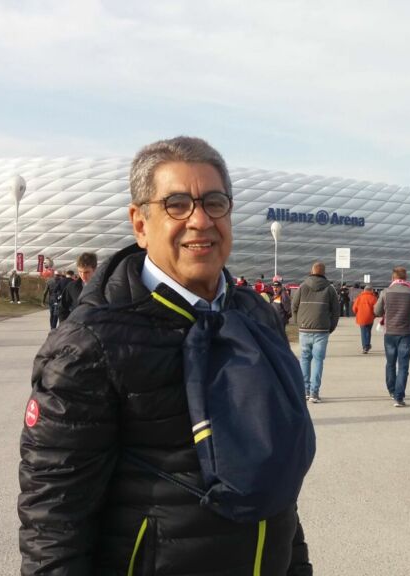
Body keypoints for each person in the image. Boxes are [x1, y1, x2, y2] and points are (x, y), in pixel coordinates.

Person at [18, 136, 312, 575]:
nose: (200, 220)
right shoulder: (91, 344)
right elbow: (53, 519)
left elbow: (274, 479)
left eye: (214, 202)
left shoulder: (256, 317)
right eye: (177, 204)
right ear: (140, 223)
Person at [374, 267, 410, 407]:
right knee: (403, 365)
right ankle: (399, 396)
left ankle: (391, 390)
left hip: (390, 332)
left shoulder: (385, 292)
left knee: (390, 363)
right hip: (406, 333)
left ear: (393, 278)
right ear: (405, 278)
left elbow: (377, 311)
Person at [291, 261, 340, 403]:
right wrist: (331, 327)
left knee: (305, 359)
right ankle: (314, 393)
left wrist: (298, 322)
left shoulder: (302, 286)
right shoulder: (330, 289)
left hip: (305, 328)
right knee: (318, 360)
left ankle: (305, 391)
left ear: (311, 271)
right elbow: (336, 311)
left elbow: (294, 306)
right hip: (322, 329)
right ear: (324, 273)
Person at [57, 252, 98, 324]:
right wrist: (65, 326)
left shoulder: (104, 286)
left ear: (94, 269)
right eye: (80, 272)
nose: (83, 276)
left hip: (99, 330)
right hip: (77, 330)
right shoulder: (72, 287)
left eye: (86, 272)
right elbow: (62, 308)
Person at [352, 285, 378, 353]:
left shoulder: (359, 297)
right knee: (368, 332)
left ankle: (365, 346)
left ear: (364, 290)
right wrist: (374, 315)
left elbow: (354, 308)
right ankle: (367, 345)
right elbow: (376, 309)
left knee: (363, 332)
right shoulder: (374, 298)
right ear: (371, 290)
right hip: (370, 317)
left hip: (361, 317)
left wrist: (357, 313)